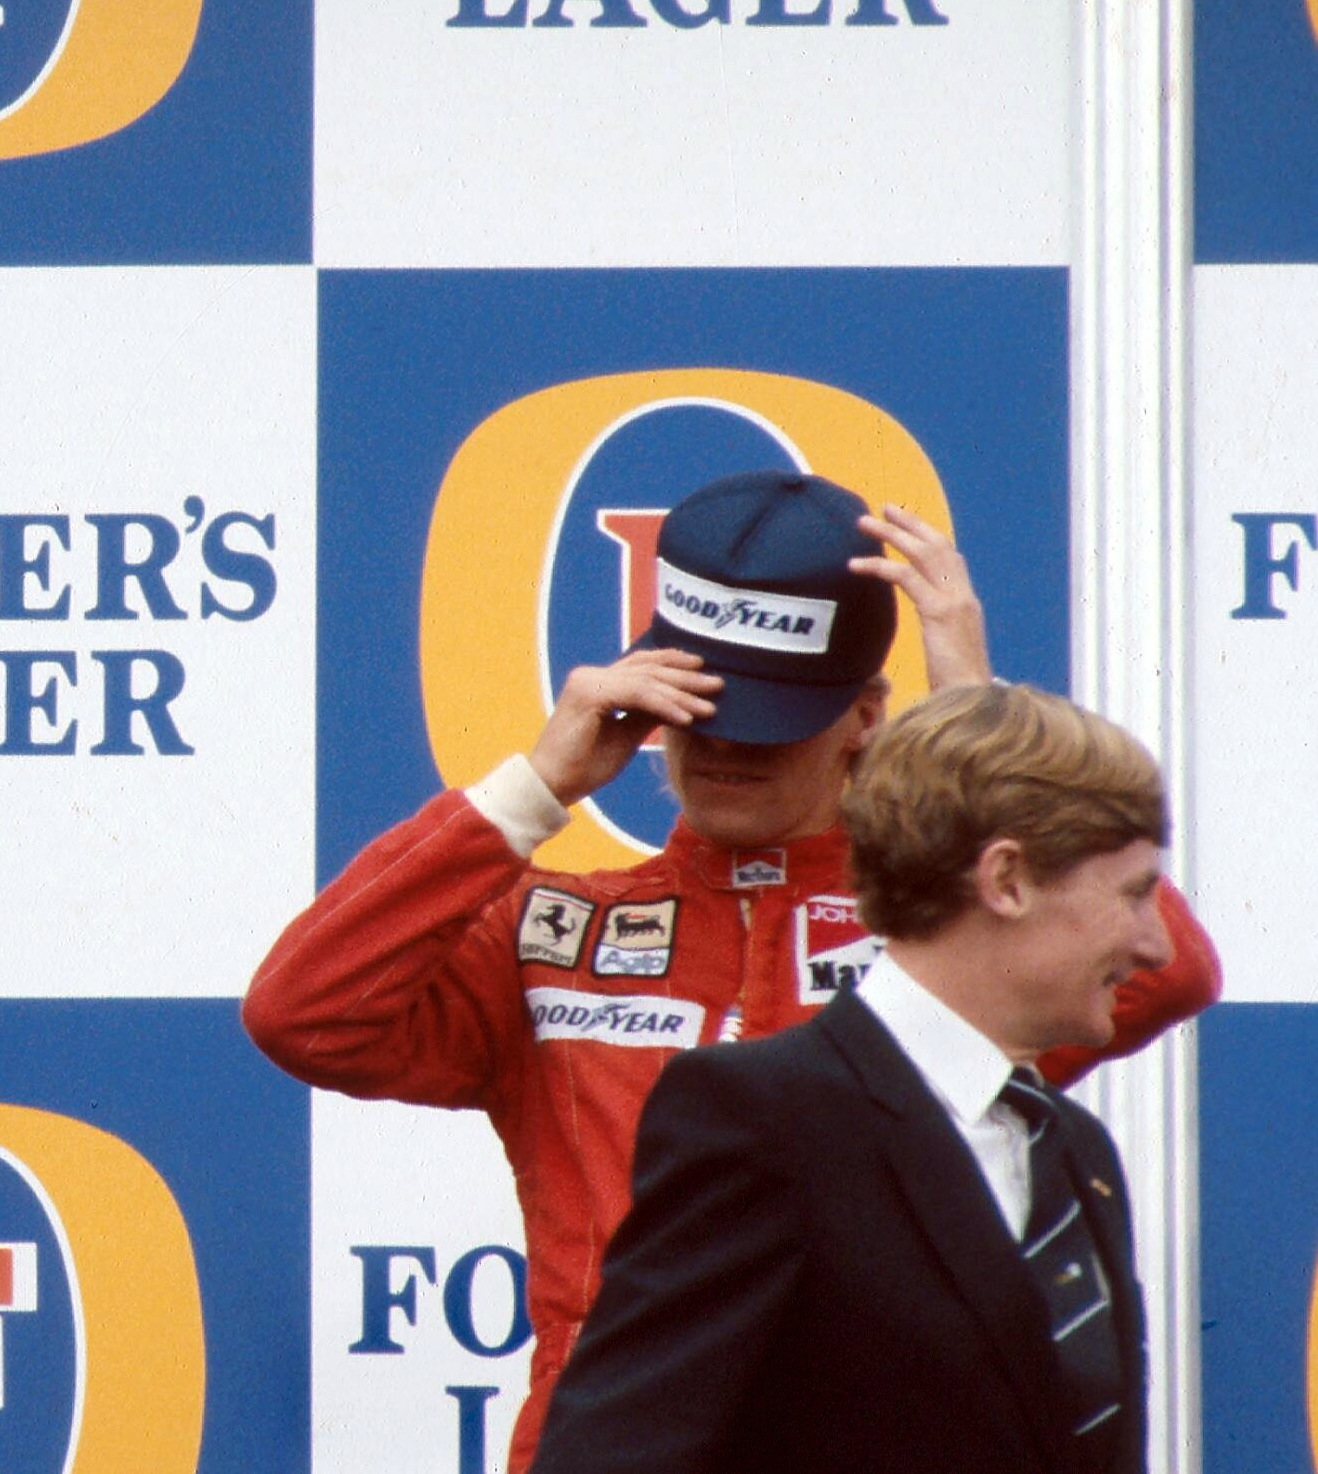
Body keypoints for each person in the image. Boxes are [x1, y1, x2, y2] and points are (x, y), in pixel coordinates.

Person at [241, 469, 1214, 1469]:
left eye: (772, 717)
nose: (727, 747)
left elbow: (1165, 967)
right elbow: (303, 1012)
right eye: (700, 706)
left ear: (867, 717)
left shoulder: (948, 938)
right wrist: (533, 787)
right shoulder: (553, 929)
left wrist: (972, 723)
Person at [531, 681, 1175, 1472]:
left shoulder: (1076, 1152)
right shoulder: (762, 1117)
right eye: (1135, 894)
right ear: (1006, 880)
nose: (1155, 945)